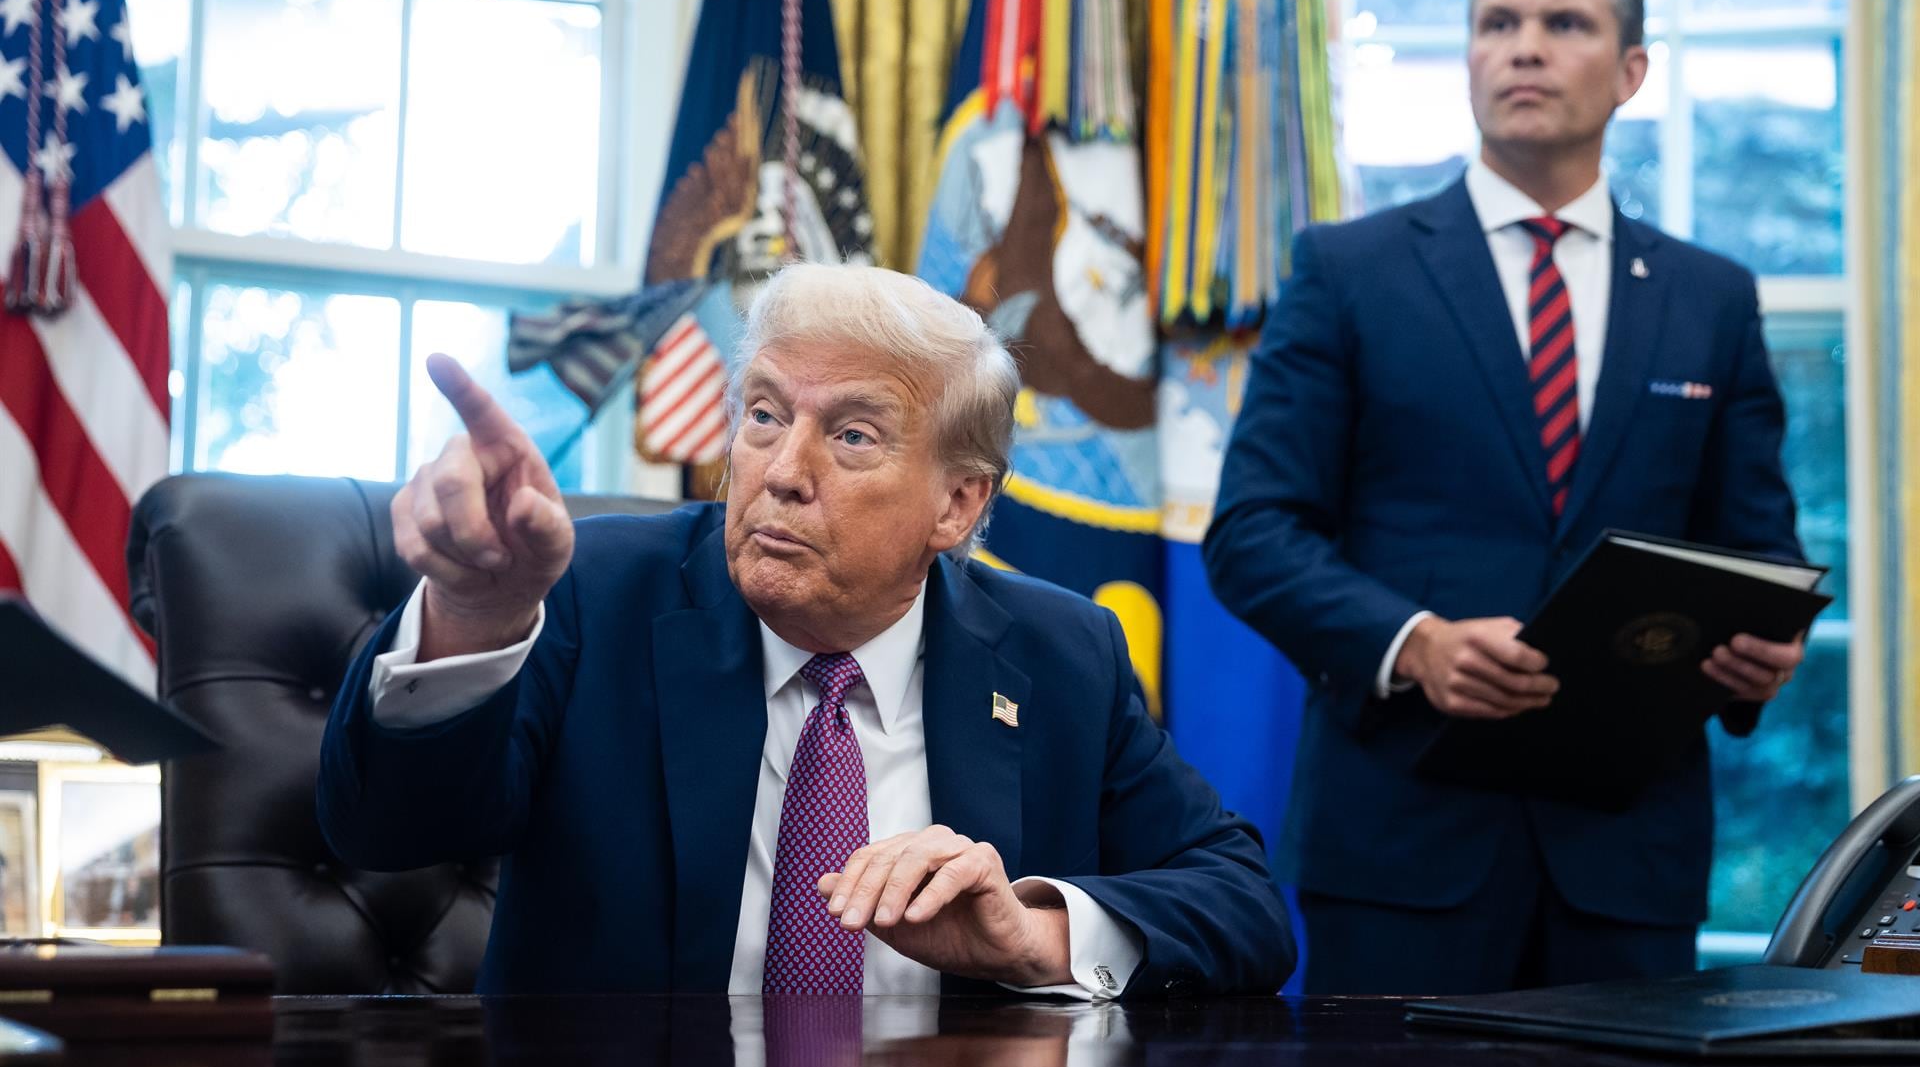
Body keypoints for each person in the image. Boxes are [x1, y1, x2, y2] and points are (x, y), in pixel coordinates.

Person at [319, 262, 1293, 998]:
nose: (782, 468)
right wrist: (476, 612)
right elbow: (386, 826)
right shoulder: (593, 591)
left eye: (852, 435)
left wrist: (1032, 933)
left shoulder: (1059, 653)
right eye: (764, 414)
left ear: (956, 504)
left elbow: (1244, 904)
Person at [1203, 0, 1805, 995]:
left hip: (1629, 860)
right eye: (1498, 23)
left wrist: (1758, 654)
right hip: (1402, 845)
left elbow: (1759, 552)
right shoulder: (1349, 270)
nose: (1523, 47)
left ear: (1631, 72)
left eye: (1563, 23)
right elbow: (1252, 533)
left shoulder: (1713, 298)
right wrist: (1414, 640)